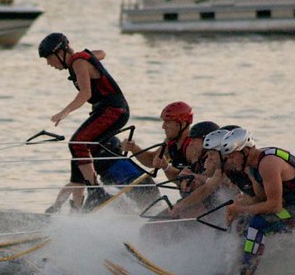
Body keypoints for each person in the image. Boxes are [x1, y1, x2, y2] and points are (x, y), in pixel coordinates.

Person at [218, 128, 295, 275]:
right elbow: (260, 199)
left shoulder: (268, 163)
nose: (230, 161)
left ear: (246, 151)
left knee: (258, 224)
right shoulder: (252, 167)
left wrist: (240, 210)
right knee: (242, 222)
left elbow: (274, 205)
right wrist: (238, 206)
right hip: (291, 205)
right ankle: (235, 271)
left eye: (232, 155)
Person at [38, 33, 130, 212]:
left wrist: (64, 112)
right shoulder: (81, 58)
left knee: (78, 143)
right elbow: (102, 53)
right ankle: (77, 210)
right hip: (108, 110)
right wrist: (93, 57)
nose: (49, 64)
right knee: (79, 159)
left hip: (113, 110)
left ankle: (97, 193)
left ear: (60, 52)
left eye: (49, 58)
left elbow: (85, 94)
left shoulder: (78, 62)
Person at [121, 101, 195, 183]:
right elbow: (152, 160)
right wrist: (134, 148)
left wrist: (166, 167)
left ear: (183, 124)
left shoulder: (192, 147)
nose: (163, 126)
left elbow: (192, 181)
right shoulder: (170, 142)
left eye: (168, 122)